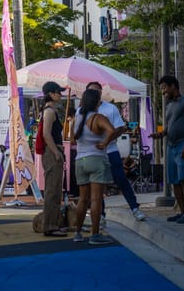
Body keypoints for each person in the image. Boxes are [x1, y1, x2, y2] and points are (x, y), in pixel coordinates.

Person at [86, 82, 146, 221]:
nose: (94, 94)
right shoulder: (83, 111)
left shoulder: (110, 108)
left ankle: (134, 208)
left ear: (101, 92)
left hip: (111, 151)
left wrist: (107, 141)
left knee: (121, 179)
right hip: (93, 153)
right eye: (91, 92)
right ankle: (100, 215)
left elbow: (119, 128)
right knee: (97, 184)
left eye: (96, 91)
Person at [72, 89, 118, 245]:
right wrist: (104, 143)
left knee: (83, 199)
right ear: (97, 102)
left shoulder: (76, 118)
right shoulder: (98, 118)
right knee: (96, 199)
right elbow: (112, 131)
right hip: (96, 159)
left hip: (80, 160)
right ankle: (95, 234)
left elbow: (72, 139)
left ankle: (77, 233)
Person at [150, 75, 184, 224]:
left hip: (183, 144)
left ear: (173, 86)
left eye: (164, 87)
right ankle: (182, 212)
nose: (163, 91)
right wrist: (161, 133)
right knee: (174, 181)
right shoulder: (169, 105)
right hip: (170, 146)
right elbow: (170, 126)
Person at [40, 81, 68, 237]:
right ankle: (50, 225)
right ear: (50, 94)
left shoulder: (51, 111)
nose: (60, 94)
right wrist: (56, 152)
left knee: (56, 189)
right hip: (52, 151)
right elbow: (46, 134)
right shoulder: (49, 111)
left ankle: (54, 223)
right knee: (52, 189)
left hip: (54, 150)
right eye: (58, 92)